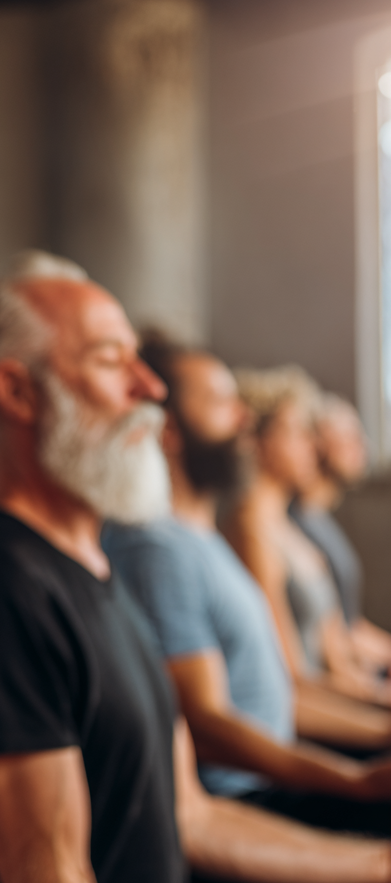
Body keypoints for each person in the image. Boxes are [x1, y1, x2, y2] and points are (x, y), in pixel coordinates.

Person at [0, 255, 391, 883]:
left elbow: (193, 817)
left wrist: (378, 863)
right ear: (17, 391)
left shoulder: (94, 569)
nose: (151, 389)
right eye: (110, 360)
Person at [102, 337, 390, 840]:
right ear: (168, 429)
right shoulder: (155, 548)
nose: (244, 421)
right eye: (220, 403)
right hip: (241, 800)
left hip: (273, 777)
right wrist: (354, 779)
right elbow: (208, 728)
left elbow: (278, 694)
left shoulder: (202, 538)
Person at [225, 368, 390, 708]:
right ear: (257, 440)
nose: (312, 446)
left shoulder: (290, 528)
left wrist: (374, 694)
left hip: (336, 698)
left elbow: (336, 654)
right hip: (306, 714)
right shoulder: (249, 531)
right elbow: (292, 676)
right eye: (297, 432)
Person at [292, 394, 391, 671]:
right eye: (351, 438)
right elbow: (334, 635)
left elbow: (350, 621)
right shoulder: (297, 525)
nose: (364, 447)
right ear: (318, 443)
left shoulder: (321, 518)